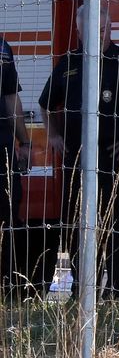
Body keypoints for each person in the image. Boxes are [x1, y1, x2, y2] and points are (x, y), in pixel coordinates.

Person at [38, 6, 119, 296]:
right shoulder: (69, 63)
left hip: (113, 163)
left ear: (110, 28)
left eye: (103, 28)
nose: (99, 34)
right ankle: (83, 290)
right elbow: (45, 104)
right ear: (79, 31)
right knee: (79, 227)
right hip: (76, 163)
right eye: (91, 29)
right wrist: (53, 134)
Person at [0, 38, 28, 293]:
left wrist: (24, 141)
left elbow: (11, 100)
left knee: (7, 216)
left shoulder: (2, 48)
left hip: (3, 150)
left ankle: (6, 287)